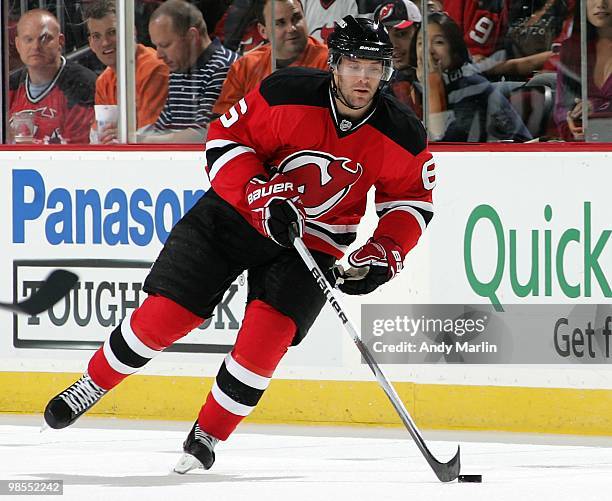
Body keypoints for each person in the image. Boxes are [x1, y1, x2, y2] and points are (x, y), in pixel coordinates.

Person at [43, 15, 435, 474]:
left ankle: (208, 432)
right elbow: (225, 140)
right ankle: (94, 382)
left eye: (374, 68)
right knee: (164, 317)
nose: (363, 78)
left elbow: (411, 202)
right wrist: (262, 192)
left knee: (265, 342)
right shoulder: (285, 92)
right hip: (236, 213)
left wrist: (385, 251)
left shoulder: (402, 133)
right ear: (335, 65)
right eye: (354, 65)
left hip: (315, 241)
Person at [409, 12, 532, 141]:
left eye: (438, 42)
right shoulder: (422, 85)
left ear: (455, 52)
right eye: (421, 43)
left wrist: (432, 84)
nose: (427, 50)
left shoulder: (472, 86)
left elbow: (443, 142)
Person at [138, 0, 239, 143]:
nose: (159, 55)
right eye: (156, 46)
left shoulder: (225, 68)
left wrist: (143, 139)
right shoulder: (179, 68)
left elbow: (203, 133)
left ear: (192, 37)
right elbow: (162, 127)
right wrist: (128, 134)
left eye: (165, 45)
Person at [213, 0, 328, 115]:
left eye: (296, 18)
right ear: (263, 31)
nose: (291, 28)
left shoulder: (331, 62)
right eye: (280, 23)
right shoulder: (244, 67)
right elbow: (222, 122)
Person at [85, 0, 170, 144]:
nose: (105, 42)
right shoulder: (103, 81)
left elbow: (150, 137)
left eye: (112, 32)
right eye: (96, 36)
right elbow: (96, 138)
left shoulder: (154, 69)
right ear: (91, 43)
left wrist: (123, 135)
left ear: (131, 31)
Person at [8, 9, 96, 144]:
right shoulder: (8, 88)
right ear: (18, 44)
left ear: (60, 41)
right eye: (28, 39)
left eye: (44, 38)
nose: (36, 46)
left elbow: (77, 152)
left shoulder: (83, 85)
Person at [554, 0, 612, 141]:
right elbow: (562, 110)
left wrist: (597, 109)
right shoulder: (571, 50)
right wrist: (571, 126)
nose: (600, 3)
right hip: (585, 150)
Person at [375, 0, 422, 109]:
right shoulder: (381, 86)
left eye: (401, 34)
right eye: (385, 38)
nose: (392, 45)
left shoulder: (445, 73)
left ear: (420, 31)